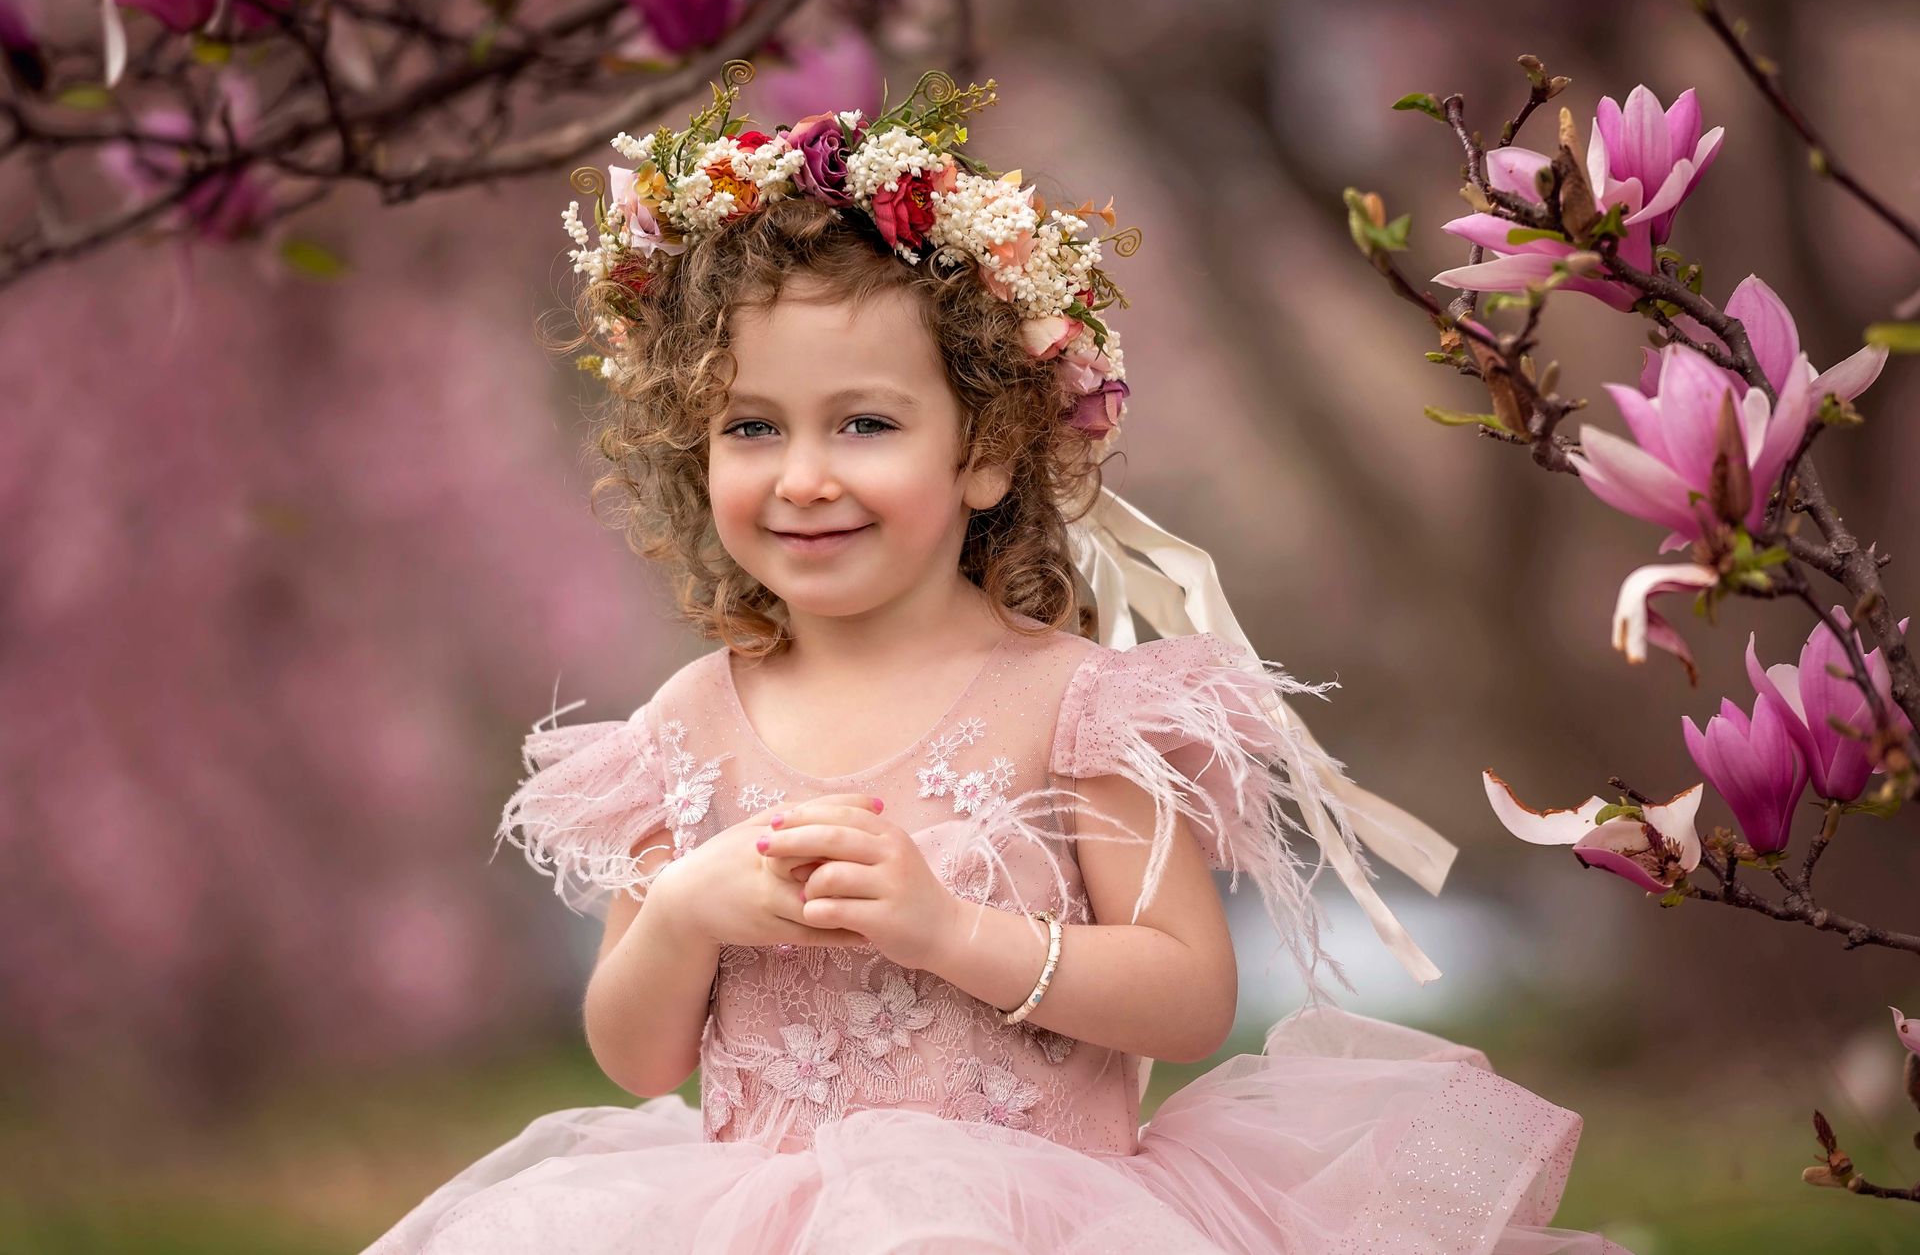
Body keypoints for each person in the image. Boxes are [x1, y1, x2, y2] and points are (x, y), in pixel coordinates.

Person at [364, 65, 1632, 1254]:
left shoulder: (1072, 703)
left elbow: (1190, 994)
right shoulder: (686, 722)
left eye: (865, 422)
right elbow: (635, 1057)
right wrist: (688, 908)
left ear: (982, 454)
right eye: (752, 426)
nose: (803, 475)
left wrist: (947, 928)